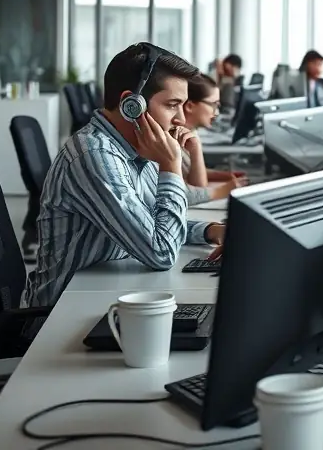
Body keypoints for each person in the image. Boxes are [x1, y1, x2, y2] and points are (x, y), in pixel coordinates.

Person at [24, 43, 225, 307]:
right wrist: (171, 163)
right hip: (60, 316)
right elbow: (161, 251)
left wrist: (211, 231)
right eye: (172, 105)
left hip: (101, 294)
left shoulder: (136, 147)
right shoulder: (94, 156)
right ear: (132, 105)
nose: (180, 119)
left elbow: (153, 223)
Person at [179, 74, 248, 204]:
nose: (216, 112)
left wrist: (225, 176)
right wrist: (222, 190)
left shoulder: (189, 131)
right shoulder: (175, 138)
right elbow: (198, 188)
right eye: (213, 105)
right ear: (190, 106)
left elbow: (189, 170)